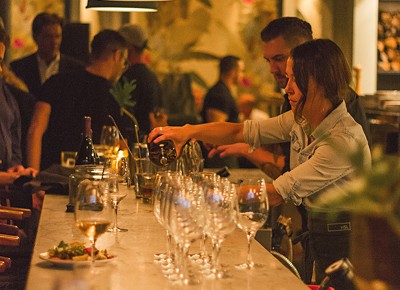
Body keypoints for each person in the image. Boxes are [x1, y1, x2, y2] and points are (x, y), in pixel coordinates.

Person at [149, 39, 371, 287]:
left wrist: (200, 198)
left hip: (348, 243)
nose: (287, 89)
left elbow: (275, 194)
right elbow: (239, 132)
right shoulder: (303, 120)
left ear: (318, 82)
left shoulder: (342, 141)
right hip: (319, 232)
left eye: (294, 80)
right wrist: (187, 132)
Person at [26, 29, 130, 170]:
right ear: (117, 55)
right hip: (91, 179)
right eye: (124, 61)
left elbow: (35, 130)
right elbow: (122, 150)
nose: (122, 67)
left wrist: (34, 175)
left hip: (50, 174)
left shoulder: (56, 81)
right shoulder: (113, 96)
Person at [0, 27, 41, 210]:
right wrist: (8, 177)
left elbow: (13, 135)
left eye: (0, 61)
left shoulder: (6, 93)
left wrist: (16, 168)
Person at [10, 12, 84, 97]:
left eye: (57, 36)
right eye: (48, 37)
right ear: (35, 37)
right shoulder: (19, 68)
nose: (54, 42)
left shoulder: (76, 69)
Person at [118, 24, 164, 142]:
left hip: (135, 144)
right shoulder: (152, 76)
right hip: (151, 141)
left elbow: (123, 120)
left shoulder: (128, 77)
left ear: (128, 48)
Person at [200, 55, 244, 168]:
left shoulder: (224, 91)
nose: (243, 75)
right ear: (234, 72)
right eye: (241, 71)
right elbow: (216, 130)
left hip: (226, 154)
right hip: (221, 159)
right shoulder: (219, 94)